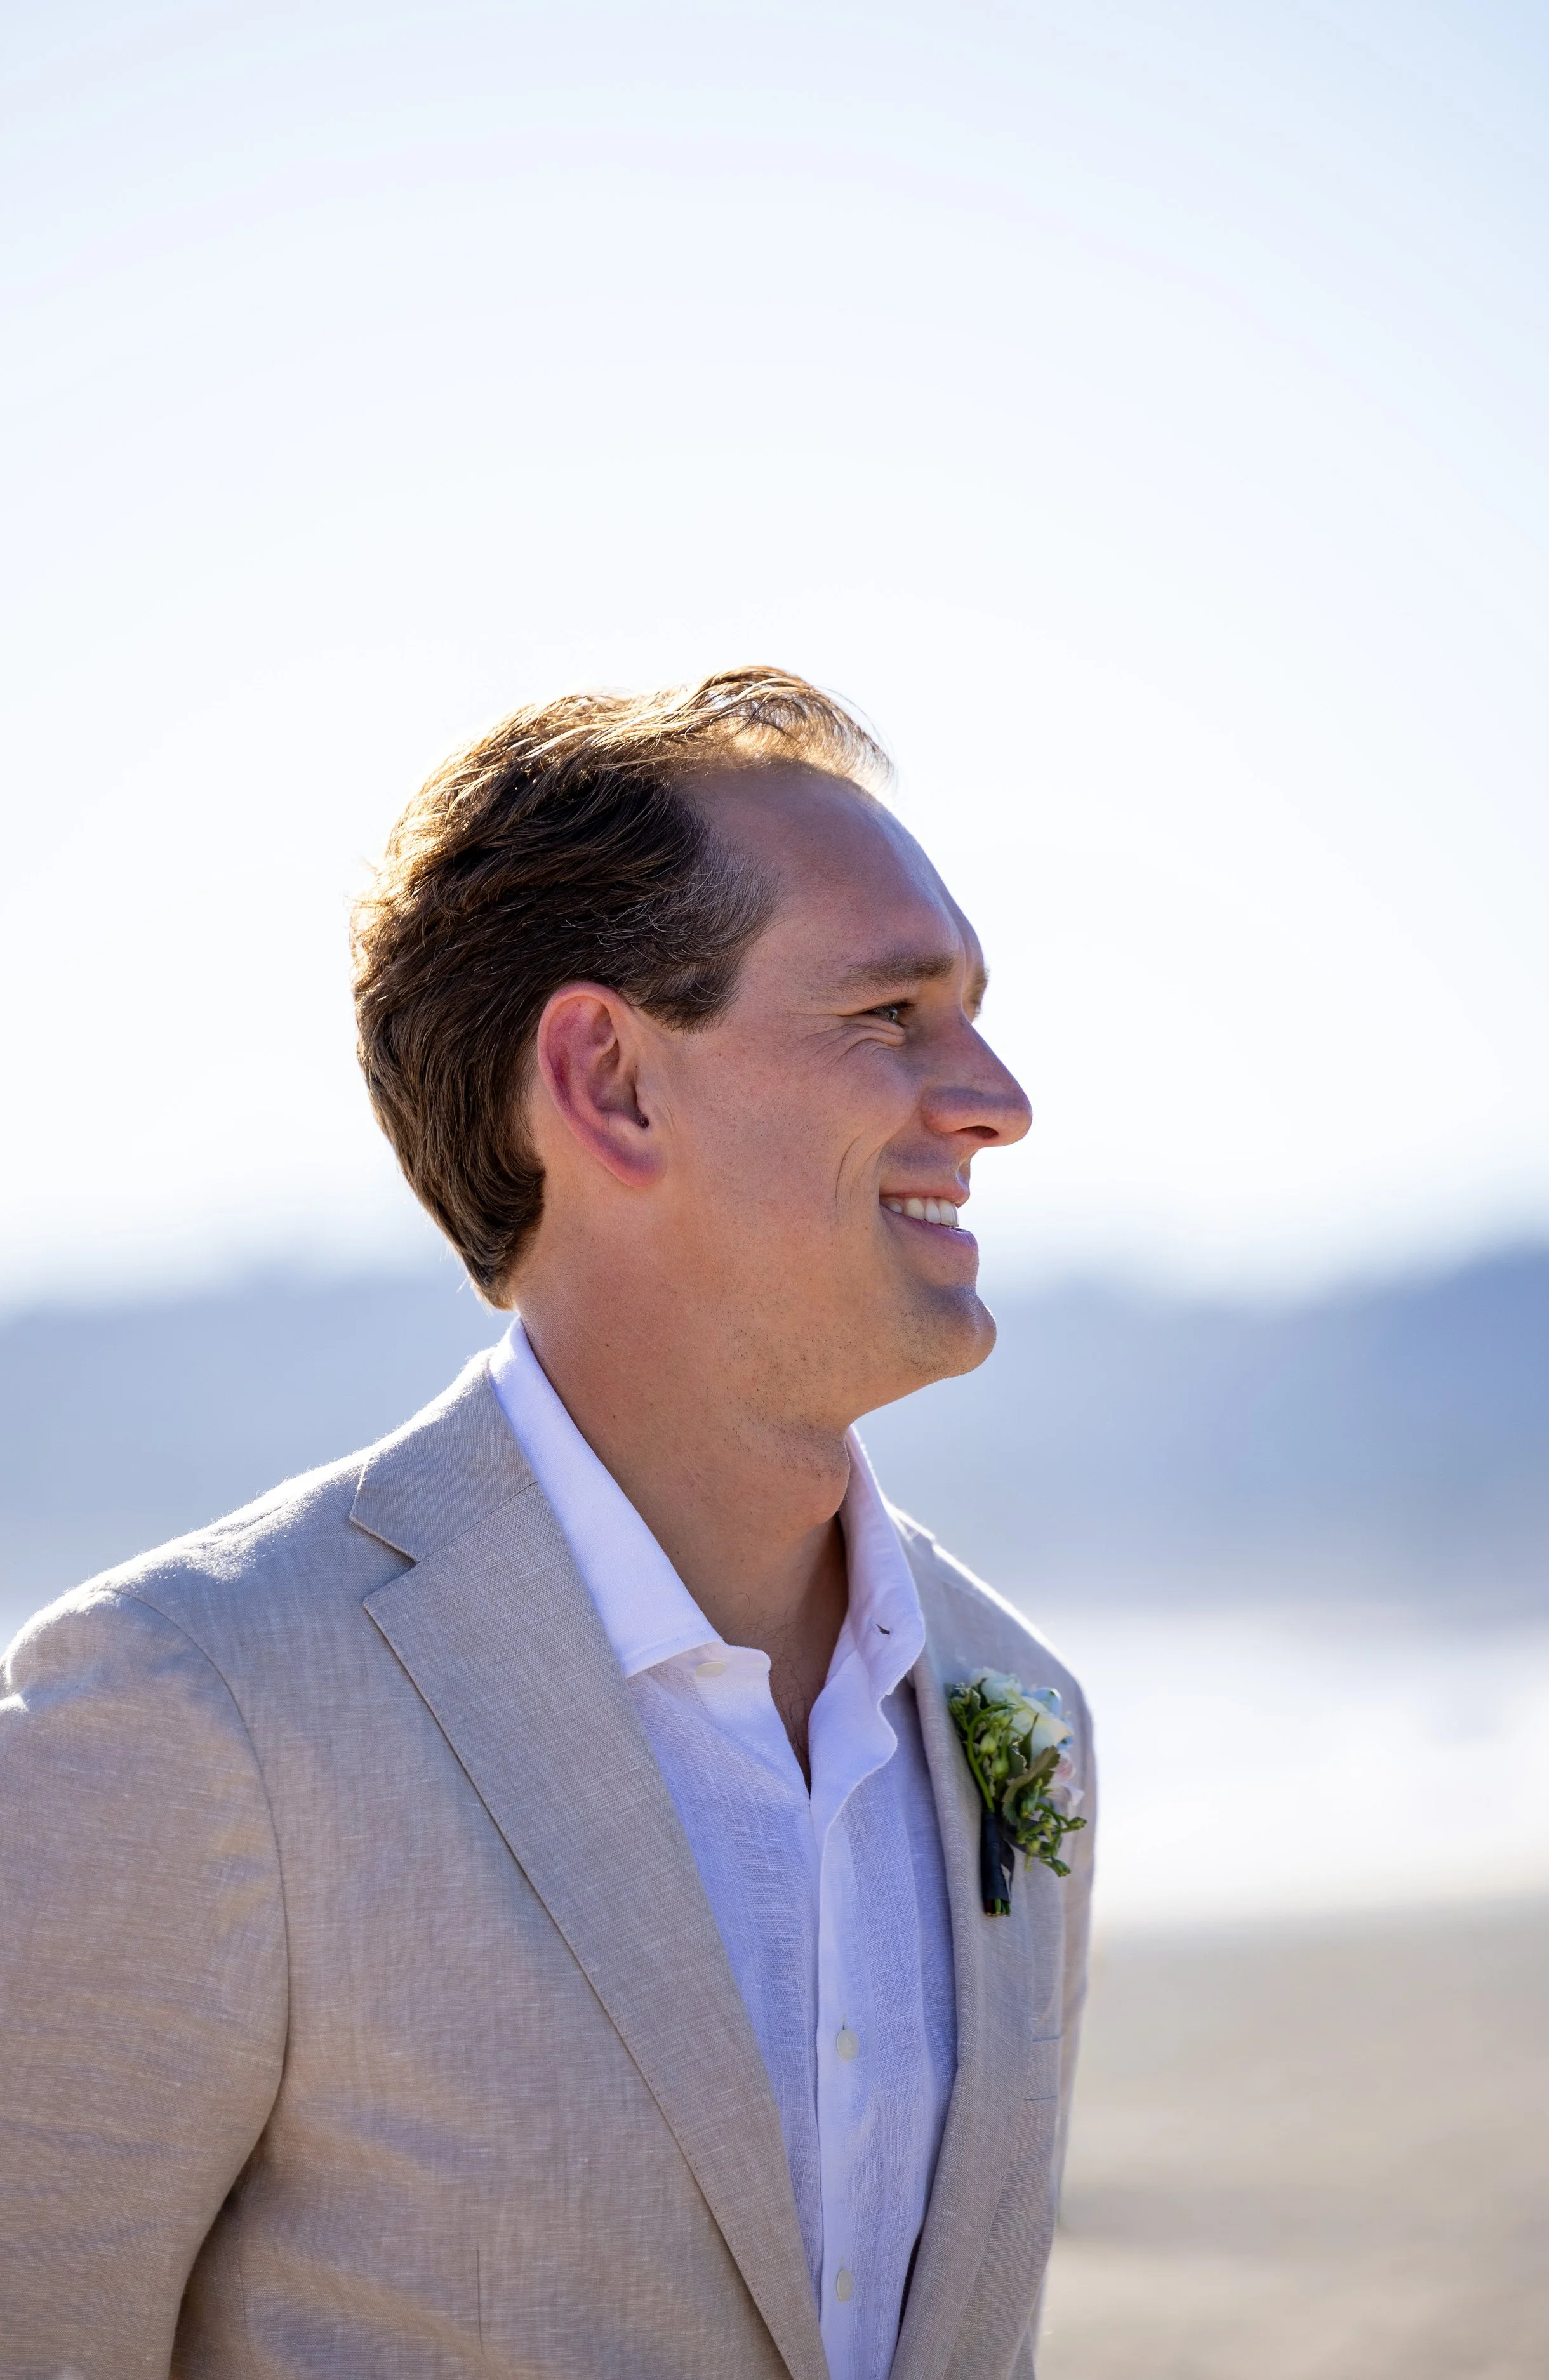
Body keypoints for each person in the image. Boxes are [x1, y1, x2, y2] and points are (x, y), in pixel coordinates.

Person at [0, 667, 1093, 2380]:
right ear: (609, 1083)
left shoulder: (1015, 1708)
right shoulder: (192, 1714)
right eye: (891, 1012)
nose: (997, 1098)